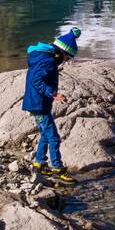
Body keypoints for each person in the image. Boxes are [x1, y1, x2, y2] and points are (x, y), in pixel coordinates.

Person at [21, 27, 81, 184]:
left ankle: (39, 164)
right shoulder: (48, 62)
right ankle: (58, 169)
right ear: (61, 52)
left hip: (38, 103)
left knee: (45, 135)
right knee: (54, 137)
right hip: (38, 104)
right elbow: (37, 81)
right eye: (67, 57)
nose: (66, 60)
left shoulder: (43, 57)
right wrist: (54, 94)